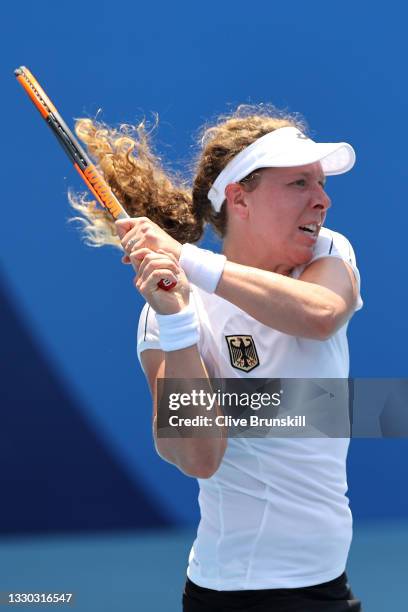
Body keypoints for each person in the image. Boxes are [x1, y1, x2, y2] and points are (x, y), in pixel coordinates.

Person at [70, 105, 363, 611]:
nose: (322, 200)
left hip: (327, 586)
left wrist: (185, 257)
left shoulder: (328, 254)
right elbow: (198, 457)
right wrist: (178, 319)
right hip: (240, 595)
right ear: (239, 198)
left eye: (320, 184)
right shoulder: (171, 314)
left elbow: (320, 315)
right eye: (299, 184)